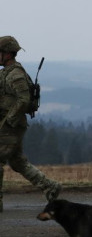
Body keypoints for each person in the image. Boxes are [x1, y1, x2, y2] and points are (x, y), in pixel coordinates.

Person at [0, 36, 62, 212]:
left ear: (7, 54)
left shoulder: (16, 74)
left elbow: (24, 99)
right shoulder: (6, 72)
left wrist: (8, 120)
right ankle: (50, 186)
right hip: (11, 124)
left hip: (10, 125)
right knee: (18, 162)